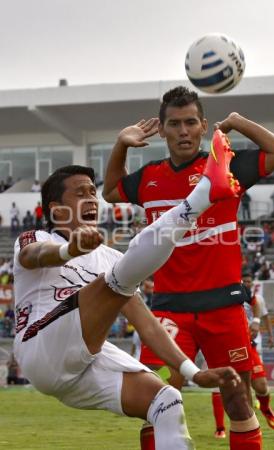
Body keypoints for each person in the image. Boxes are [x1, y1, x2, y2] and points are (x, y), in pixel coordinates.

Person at [103, 86, 274, 450]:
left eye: (191, 122)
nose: (183, 131)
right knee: (154, 400)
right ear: (162, 130)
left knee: (237, 399)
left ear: (203, 126)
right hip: (168, 313)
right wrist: (122, 144)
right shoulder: (150, 178)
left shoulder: (226, 167)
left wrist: (238, 122)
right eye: (174, 124)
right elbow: (110, 190)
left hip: (223, 309)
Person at [13, 160, 241, 450]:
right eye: (81, 193)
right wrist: (68, 249)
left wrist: (192, 372)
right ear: (57, 209)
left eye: (92, 192)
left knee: (166, 400)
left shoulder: (110, 259)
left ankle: (200, 197)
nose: (92, 198)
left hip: (83, 364)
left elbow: (146, 323)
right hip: (40, 347)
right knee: (115, 280)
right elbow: (35, 255)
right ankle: (201, 197)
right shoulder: (35, 238)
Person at [211, 272, 274, 438]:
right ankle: (222, 428)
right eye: (244, 281)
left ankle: (265, 407)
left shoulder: (251, 297)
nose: (246, 283)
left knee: (260, 385)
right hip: (218, 343)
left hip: (249, 344)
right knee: (222, 386)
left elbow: (263, 315)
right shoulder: (213, 294)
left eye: (248, 281)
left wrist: (259, 326)